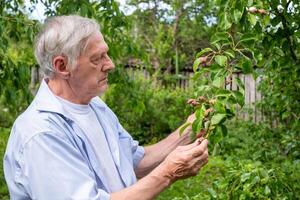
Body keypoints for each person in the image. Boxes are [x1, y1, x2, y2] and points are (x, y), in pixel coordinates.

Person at [3, 15, 208, 200]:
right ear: (62, 66)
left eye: (106, 55)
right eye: (97, 58)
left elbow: (136, 162)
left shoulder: (96, 107)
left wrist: (188, 130)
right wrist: (168, 173)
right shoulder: (41, 134)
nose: (110, 65)